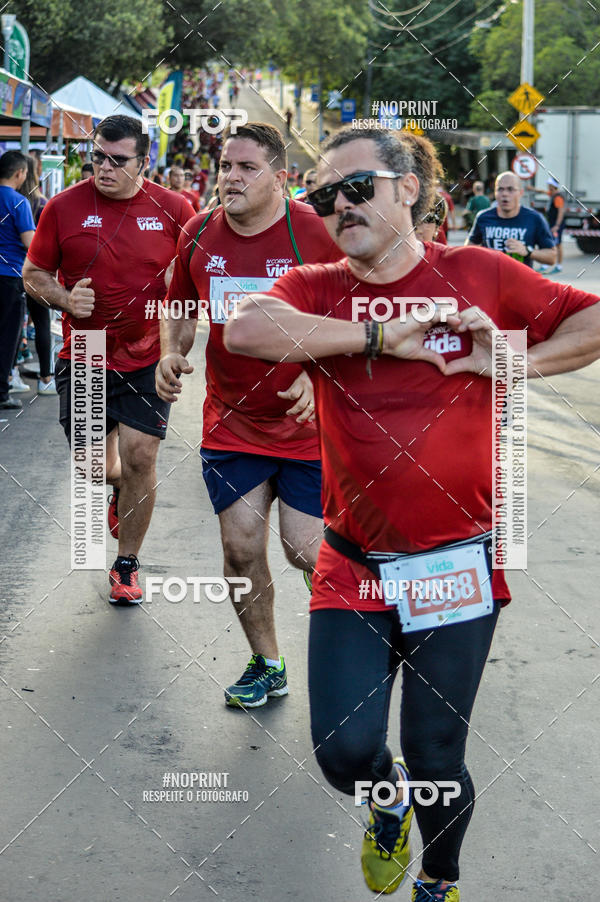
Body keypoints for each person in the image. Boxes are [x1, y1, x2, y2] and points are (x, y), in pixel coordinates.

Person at [224, 126, 600, 900]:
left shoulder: (477, 273)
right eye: (324, 195)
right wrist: (378, 336)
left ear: (409, 189)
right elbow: (245, 328)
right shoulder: (318, 286)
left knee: (435, 754)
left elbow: (591, 321)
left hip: (454, 567)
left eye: (356, 187)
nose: (339, 205)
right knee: (342, 752)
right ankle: (386, 803)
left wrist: (516, 360)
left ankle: (438, 877)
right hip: (354, 563)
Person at [156, 122, 341, 709]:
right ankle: (268, 664)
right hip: (232, 421)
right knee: (239, 549)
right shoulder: (198, 232)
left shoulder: (316, 232)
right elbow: (180, 304)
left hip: (310, 426)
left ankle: (351, 611)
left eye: (246, 168)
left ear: (280, 178)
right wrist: (170, 351)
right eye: (225, 166)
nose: (230, 178)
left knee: (304, 549)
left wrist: (319, 372)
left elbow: (360, 308)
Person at [22, 115, 194, 603]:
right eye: (97, 156)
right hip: (86, 353)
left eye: (118, 159)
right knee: (92, 467)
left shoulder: (175, 209)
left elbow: (196, 280)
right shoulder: (63, 206)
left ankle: (126, 565)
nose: (104, 167)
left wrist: (180, 302)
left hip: (146, 356)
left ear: (144, 161)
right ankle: (120, 488)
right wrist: (63, 298)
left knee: (142, 457)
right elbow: (33, 274)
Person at [0, 150, 36, 410]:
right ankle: (2, 392)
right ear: (20, 173)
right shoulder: (18, 202)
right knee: (7, 336)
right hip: (10, 276)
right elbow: (30, 243)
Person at [18, 156, 54, 395]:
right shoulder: (43, 204)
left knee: (12, 327)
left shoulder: (12, 201)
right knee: (42, 324)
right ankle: (45, 378)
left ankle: (11, 374)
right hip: (38, 274)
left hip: (11, 272)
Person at [467, 171, 556, 268]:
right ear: (495, 192)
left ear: (521, 193)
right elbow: (468, 251)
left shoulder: (534, 218)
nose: (505, 194)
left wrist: (527, 251)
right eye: (500, 189)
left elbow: (552, 257)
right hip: (489, 277)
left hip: (520, 277)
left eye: (510, 189)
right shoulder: (483, 217)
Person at [541, 176, 566, 274]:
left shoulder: (558, 197)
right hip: (552, 224)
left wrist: (557, 226)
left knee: (558, 244)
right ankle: (546, 264)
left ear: (553, 186)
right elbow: (543, 191)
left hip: (556, 225)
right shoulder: (552, 194)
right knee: (550, 243)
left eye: (549, 185)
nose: (547, 186)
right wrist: (533, 189)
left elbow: (561, 212)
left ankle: (558, 266)